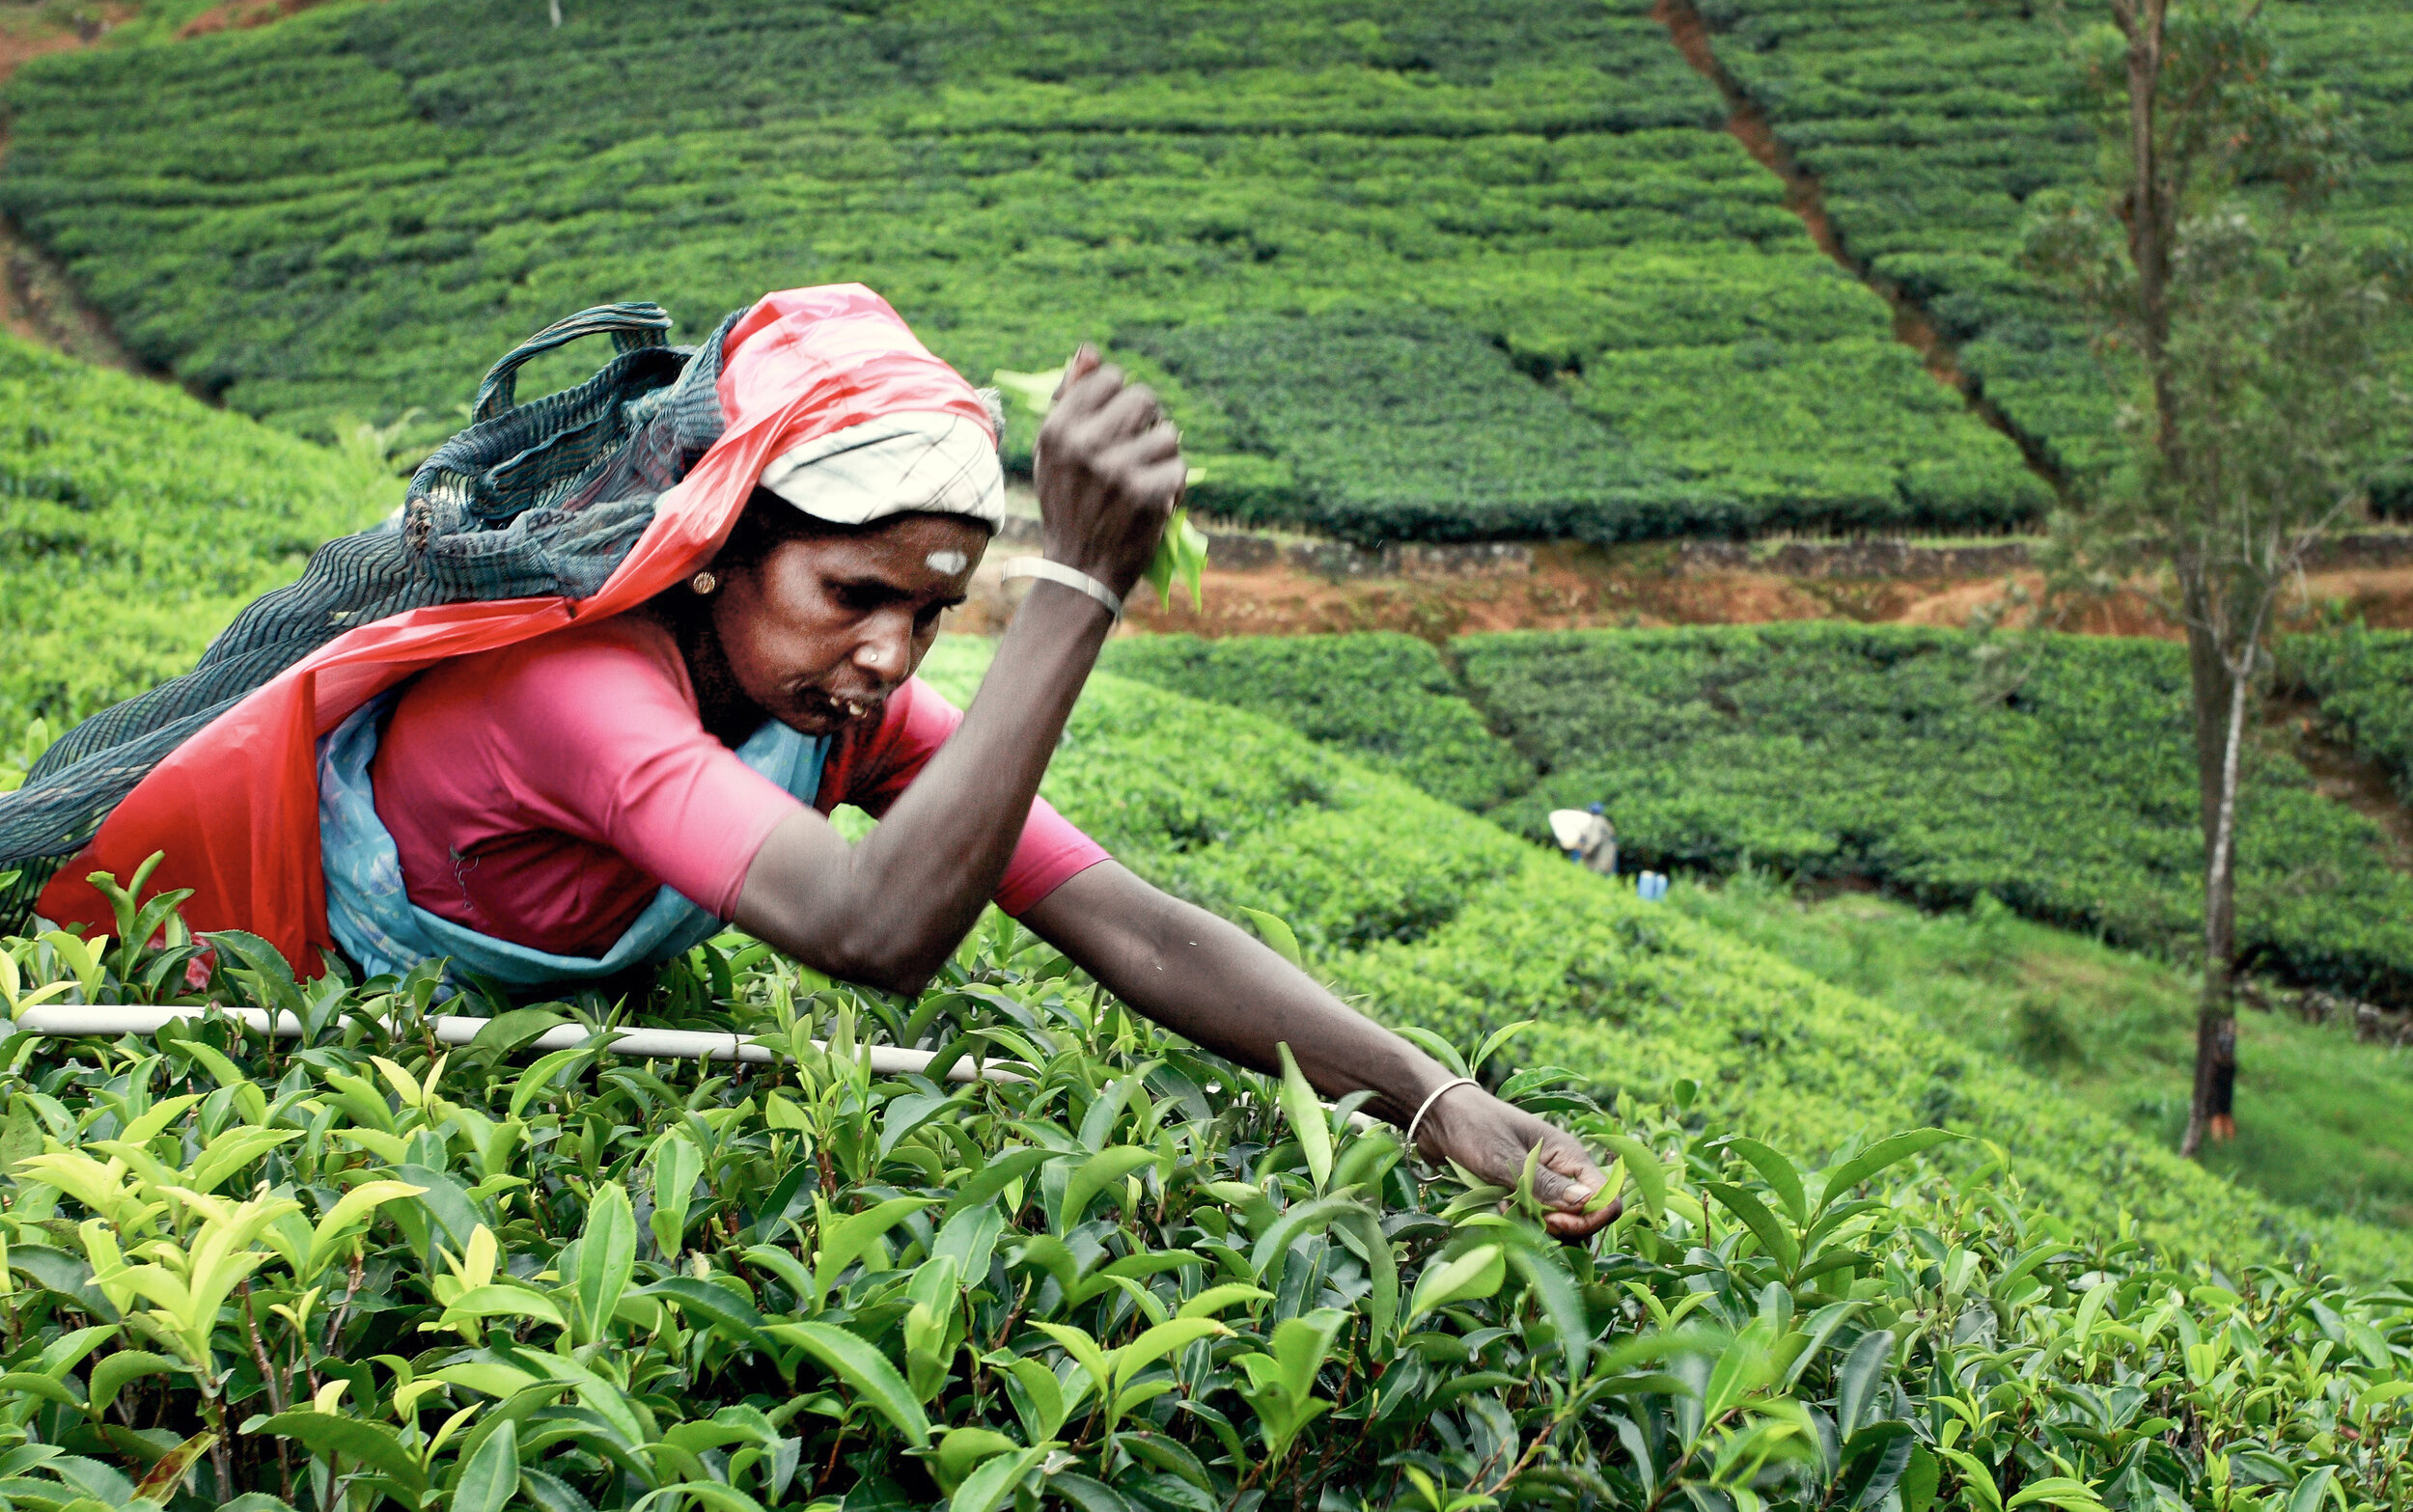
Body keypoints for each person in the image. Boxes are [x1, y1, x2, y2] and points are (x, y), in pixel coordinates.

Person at [30, 287, 1616, 1238]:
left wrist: (1433, 1100)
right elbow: (876, 937)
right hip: (258, 1035)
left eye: (933, 613)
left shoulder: (820, 711)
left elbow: (1128, 920)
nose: (889, 657)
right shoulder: (580, 695)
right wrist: (1071, 596)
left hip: (476, 1061)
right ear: (720, 553)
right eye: (851, 595)